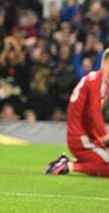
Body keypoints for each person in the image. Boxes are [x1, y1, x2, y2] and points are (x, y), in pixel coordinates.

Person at [44, 49, 109, 177]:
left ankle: (65, 163)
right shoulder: (97, 80)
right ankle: (70, 166)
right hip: (81, 137)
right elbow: (93, 113)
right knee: (106, 163)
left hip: (86, 136)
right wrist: (104, 136)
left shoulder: (99, 81)